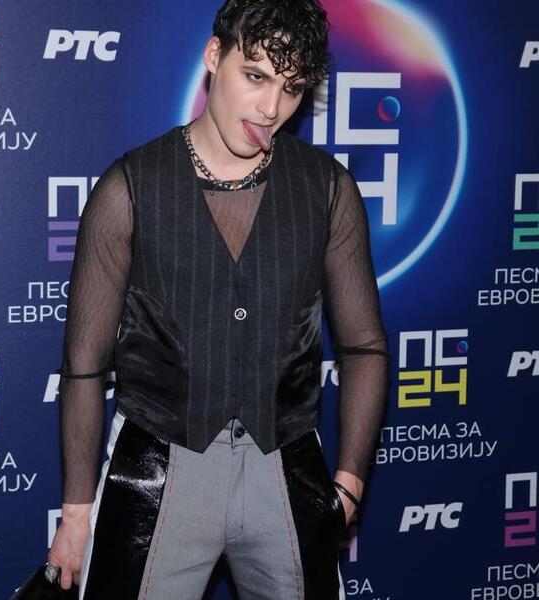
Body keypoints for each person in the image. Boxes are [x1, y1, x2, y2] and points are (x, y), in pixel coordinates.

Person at [48, 1, 390, 598]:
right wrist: (77, 514)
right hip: (156, 470)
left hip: (287, 468)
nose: (270, 107)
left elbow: (363, 346)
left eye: (291, 88)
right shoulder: (129, 187)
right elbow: (84, 364)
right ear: (214, 56)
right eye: (255, 76)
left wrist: (348, 486)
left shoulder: (328, 189)